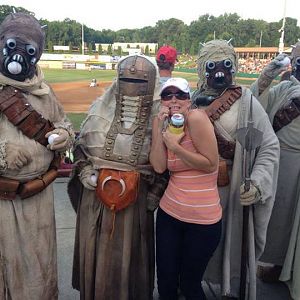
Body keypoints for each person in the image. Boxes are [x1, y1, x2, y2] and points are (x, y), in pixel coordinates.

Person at [68, 54, 164, 300]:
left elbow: (168, 164)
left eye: (140, 80)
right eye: (127, 78)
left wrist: (153, 194)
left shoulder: (161, 116)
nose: (133, 85)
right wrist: (86, 172)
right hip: (96, 201)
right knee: (96, 259)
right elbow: (80, 149)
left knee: (131, 262)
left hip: (136, 205)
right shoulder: (99, 109)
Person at [191, 39, 280, 299]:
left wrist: (258, 182)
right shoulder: (192, 101)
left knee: (228, 246)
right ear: (202, 69)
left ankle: (231, 287)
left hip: (230, 188)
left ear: (234, 66)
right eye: (212, 65)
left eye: (226, 64)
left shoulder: (247, 104)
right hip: (193, 191)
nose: (220, 71)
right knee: (194, 249)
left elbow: (268, 147)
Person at [0, 12, 74, 299]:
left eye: (28, 49)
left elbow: (64, 122)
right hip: (3, 203)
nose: (18, 55)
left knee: (36, 268)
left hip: (38, 199)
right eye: (11, 45)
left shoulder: (44, 92)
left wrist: (64, 136)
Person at [150, 77, 222, 299]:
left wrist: (176, 148)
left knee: (190, 284)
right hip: (169, 216)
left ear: (188, 99)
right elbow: (160, 166)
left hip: (202, 222)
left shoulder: (196, 118)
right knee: (166, 281)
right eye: (167, 95)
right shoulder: (168, 126)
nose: (174, 99)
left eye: (180, 94)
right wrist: (157, 127)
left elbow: (211, 164)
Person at [251, 42, 300, 300]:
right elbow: (256, 102)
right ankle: (276, 266)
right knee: (277, 220)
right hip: (281, 163)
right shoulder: (285, 89)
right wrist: (267, 75)